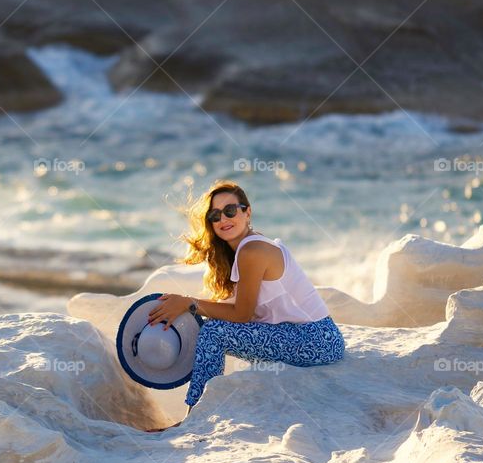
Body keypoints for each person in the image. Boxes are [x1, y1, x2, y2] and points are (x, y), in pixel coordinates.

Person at [144, 179, 346, 432]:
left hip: (317, 340)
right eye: (215, 216)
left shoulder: (253, 251)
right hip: (311, 335)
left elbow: (241, 315)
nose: (223, 219)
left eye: (230, 211)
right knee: (212, 327)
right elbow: (239, 310)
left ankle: (196, 419)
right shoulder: (246, 247)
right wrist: (189, 307)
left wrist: (189, 303)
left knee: (214, 332)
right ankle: (200, 412)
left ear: (247, 211)